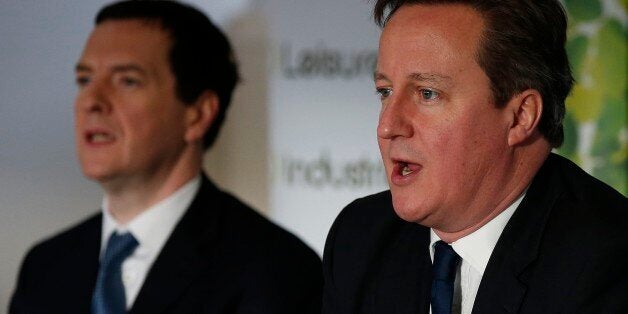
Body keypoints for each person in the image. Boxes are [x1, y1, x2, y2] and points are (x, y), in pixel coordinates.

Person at [10, 1, 322, 313]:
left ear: (198, 114)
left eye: (127, 80)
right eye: (85, 80)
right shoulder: (45, 266)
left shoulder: (275, 269)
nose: (91, 100)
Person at [322, 0, 628, 313]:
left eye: (427, 93)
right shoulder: (362, 239)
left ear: (521, 116)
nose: (387, 126)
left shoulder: (610, 266)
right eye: (385, 91)